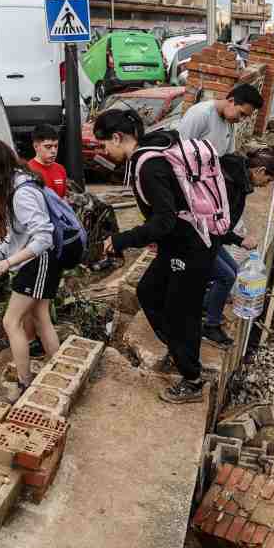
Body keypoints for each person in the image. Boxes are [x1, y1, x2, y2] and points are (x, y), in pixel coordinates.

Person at [94, 109, 215, 404]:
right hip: (177, 245)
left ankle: (192, 380)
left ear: (117, 137)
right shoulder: (152, 152)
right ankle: (180, 351)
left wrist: (122, 240)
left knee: (180, 313)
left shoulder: (149, 167)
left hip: (190, 246)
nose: (104, 152)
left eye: (103, 145)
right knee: (148, 291)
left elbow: (165, 221)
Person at [0, 138, 62, 388]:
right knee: (41, 316)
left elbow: (42, 236)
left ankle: (24, 381)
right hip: (36, 260)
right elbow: (17, 233)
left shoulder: (21, 192)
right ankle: (57, 371)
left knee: (11, 322)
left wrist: (8, 261)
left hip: (38, 261)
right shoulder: (17, 183)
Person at [201, 147, 274, 346]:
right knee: (226, 276)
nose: (267, 185)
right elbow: (213, 224)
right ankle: (210, 326)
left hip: (211, 237)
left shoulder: (237, 177)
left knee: (234, 269)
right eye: (269, 180)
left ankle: (205, 304)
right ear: (260, 170)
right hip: (198, 237)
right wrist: (240, 240)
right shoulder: (229, 184)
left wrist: (236, 237)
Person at [177, 82, 265, 155]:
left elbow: (229, 154)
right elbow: (179, 150)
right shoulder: (200, 113)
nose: (241, 120)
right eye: (242, 114)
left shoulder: (230, 121)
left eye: (245, 117)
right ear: (231, 100)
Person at [26, 124, 68, 198]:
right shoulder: (28, 171)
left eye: (56, 146)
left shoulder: (60, 169)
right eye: (48, 147)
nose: (53, 151)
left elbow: (63, 199)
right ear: (36, 146)